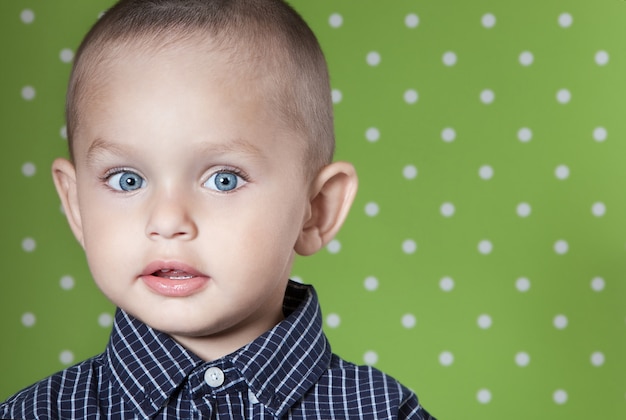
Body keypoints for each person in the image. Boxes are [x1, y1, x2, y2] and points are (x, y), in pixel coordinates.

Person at [1, 0, 435, 418]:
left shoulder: (381, 411)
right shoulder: (35, 412)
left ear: (316, 208)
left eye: (223, 180)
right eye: (127, 180)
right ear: (76, 205)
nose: (167, 221)